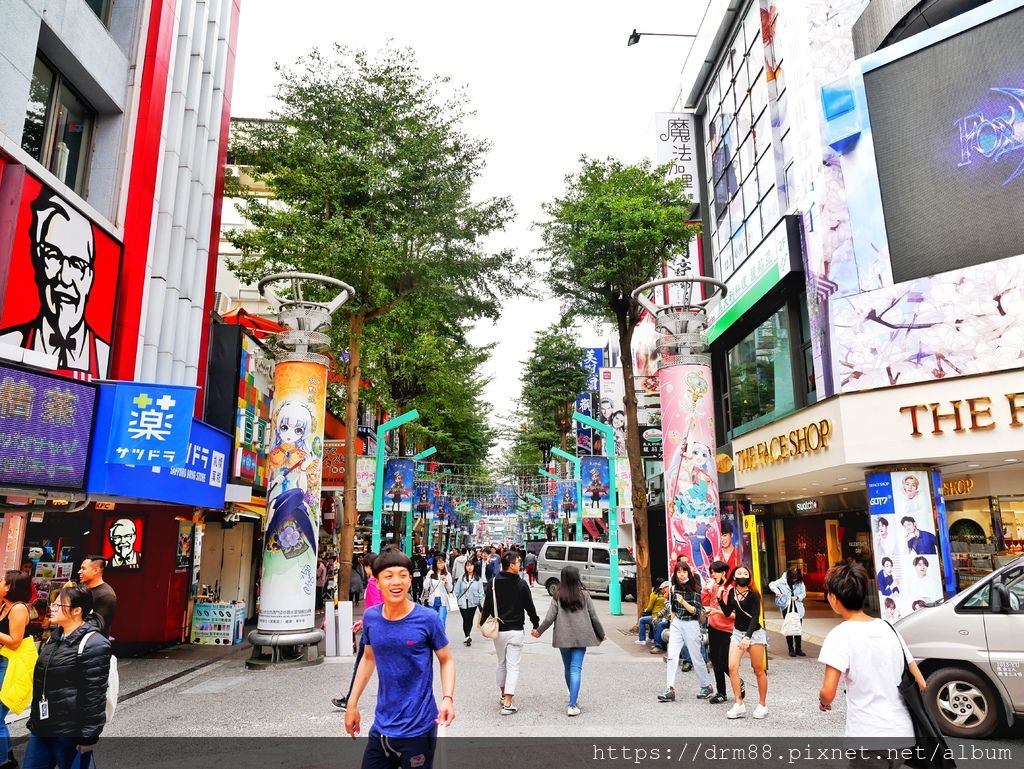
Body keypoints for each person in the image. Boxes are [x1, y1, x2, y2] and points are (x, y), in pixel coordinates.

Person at [344, 549, 455, 769]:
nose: (397, 582)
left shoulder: (428, 619)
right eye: (389, 576)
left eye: (403, 575)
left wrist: (448, 698)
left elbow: (446, 660)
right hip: (382, 727)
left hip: (419, 728)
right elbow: (368, 659)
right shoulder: (371, 617)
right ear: (376, 582)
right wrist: (352, 704)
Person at [0, 188, 110, 377]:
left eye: (77, 264)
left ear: (89, 277)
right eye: (54, 256)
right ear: (39, 261)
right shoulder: (8, 342)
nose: (65, 278)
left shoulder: (104, 355)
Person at [818, 563, 925, 749]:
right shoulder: (889, 628)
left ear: (833, 598)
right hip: (903, 736)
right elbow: (921, 682)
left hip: (868, 736)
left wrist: (823, 702)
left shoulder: (839, 635)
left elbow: (828, 692)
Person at [25, 584, 111, 769]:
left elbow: (94, 695)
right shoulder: (55, 637)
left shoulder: (94, 644)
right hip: (42, 727)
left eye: (58, 605)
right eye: (53, 604)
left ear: (77, 610)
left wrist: (88, 736)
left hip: (70, 732)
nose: (52, 609)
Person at [531, 565, 606, 717]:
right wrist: (601, 633)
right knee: (576, 668)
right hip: (581, 636)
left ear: (563, 578)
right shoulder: (584, 594)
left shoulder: (558, 595)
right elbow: (594, 617)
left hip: (563, 637)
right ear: (577, 577)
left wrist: (539, 631)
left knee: (567, 668)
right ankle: (572, 704)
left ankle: (572, 698)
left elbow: (549, 618)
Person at [479, 551, 540, 715]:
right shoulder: (521, 584)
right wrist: (536, 623)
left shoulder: (493, 583)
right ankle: (507, 702)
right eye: (518, 562)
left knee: (501, 663)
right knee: (513, 666)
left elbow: (487, 607)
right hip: (516, 630)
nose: (519, 564)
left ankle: (502, 693)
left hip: (499, 631)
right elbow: (530, 607)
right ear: (511, 565)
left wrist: (482, 624)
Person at [658, 561, 713, 702]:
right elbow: (674, 608)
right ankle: (670, 688)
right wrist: (673, 621)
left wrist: (683, 602)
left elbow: (696, 611)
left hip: (691, 623)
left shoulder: (695, 589)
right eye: (678, 572)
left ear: (688, 572)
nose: (681, 575)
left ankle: (706, 685)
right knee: (672, 656)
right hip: (677, 623)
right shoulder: (673, 588)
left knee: (696, 657)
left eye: (684, 571)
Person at [718, 565, 768, 719]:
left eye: (745, 573)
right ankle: (739, 704)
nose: (742, 575)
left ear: (749, 577)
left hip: (754, 634)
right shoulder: (732, 592)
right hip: (737, 633)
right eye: (739, 573)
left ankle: (762, 704)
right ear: (734, 577)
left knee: (758, 669)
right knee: (732, 667)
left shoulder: (754, 595)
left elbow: (755, 617)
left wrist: (748, 637)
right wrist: (719, 599)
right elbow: (727, 613)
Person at [331, 552, 380, 710]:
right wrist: (363, 620)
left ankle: (349, 700)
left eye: (365, 566)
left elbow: (375, 607)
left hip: (371, 631)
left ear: (368, 566)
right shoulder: (378, 582)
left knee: (361, 666)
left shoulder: (373, 582)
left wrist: (365, 622)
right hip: (373, 628)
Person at [0, 571, 31, 767]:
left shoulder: (18, 609)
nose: (0, 582)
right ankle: (9, 757)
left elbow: (14, 642)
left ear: (10, 586)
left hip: (9, 665)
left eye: (3, 581)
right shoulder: (5, 606)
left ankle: (3, 761)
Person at [702, 561, 744, 704]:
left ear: (724, 573)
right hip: (713, 628)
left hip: (728, 631)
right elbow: (704, 601)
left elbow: (736, 614)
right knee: (715, 661)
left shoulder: (732, 590)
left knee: (724, 661)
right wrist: (706, 590)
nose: (713, 575)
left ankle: (738, 682)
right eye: (711, 572)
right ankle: (721, 692)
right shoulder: (714, 587)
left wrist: (718, 612)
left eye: (716, 572)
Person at [768, 567, 807, 657]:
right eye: (793, 578)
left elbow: (803, 593)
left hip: (797, 606)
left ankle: (798, 649)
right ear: (789, 575)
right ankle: (791, 649)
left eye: (796, 578)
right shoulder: (782, 580)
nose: (794, 579)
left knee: (798, 628)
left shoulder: (800, 582)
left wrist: (797, 597)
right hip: (787, 607)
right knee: (789, 628)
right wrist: (777, 592)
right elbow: (771, 584)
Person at [77, 556, 116, 639]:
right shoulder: (82, 587)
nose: (79, 572)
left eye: (83, 569)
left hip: (91, 643)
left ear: (96, 570)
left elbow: (98, 625)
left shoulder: (106, 595)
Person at [454, 559, 484, 646]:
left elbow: (481, 592)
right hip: (462, 602)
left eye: (471, 565)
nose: (469, 567)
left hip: (473, 602)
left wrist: (480, 603)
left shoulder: (478, 579)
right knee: (465, 618)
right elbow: (457, 590)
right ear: (465, 567)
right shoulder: (461, 578)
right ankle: (467, 636)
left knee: (470, 619)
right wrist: (457, 600)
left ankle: (467, 635)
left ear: (474, 566)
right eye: (467, 565)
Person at [421, 558, 456, 627]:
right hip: (432, 600)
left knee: (441, 621)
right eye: (439, 563)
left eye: (443, 562)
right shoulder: (431, 574)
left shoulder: (447, 574)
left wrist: (446, 582)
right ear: (435, 564)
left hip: (443, 601)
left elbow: (450, 589)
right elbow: (425, 587)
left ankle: (441, 637)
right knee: (433, 622)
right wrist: (428, 576)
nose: (441, 565)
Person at [636, 581, 669, 645]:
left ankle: (642, 639)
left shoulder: (654, 595)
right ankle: (651, 637)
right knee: (653, 620)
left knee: (642, 620)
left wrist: (646, 610)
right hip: (663, 616)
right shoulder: (667, 596)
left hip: (658, 616)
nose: (663, 590)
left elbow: (650, 608)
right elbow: (664, 609)